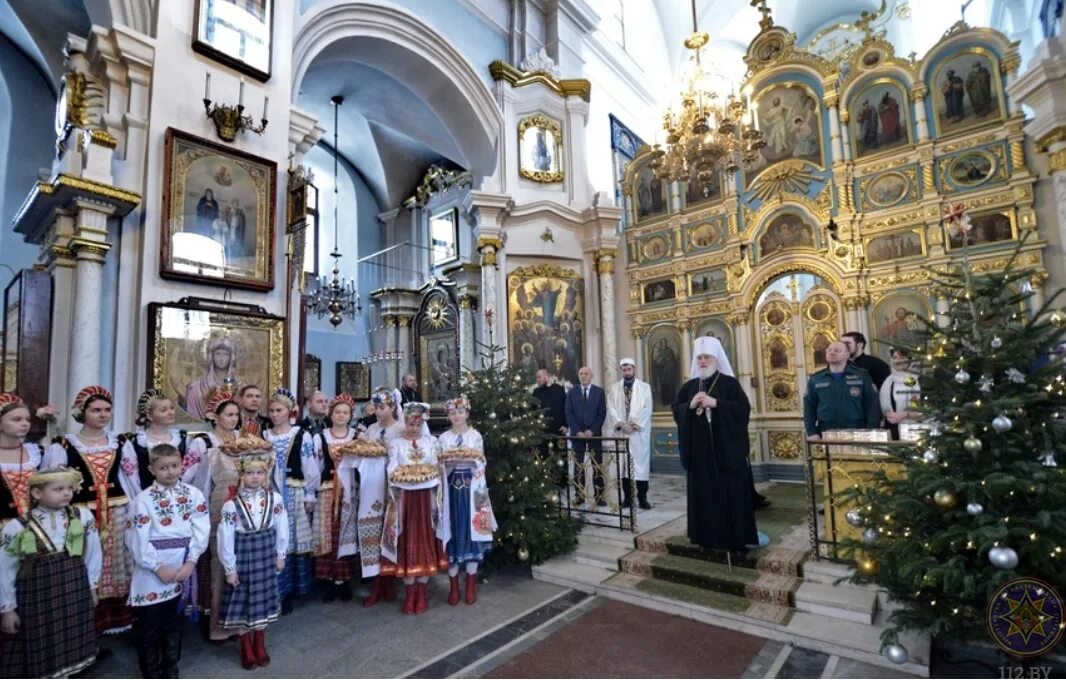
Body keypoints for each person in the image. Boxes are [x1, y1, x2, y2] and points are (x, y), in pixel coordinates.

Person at [44, 385, 138, 635]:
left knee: (117, 560)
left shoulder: (120, 442)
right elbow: (53, 481)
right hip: (81, 513)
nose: (103, 414)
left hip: (117, 510)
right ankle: (82, 625)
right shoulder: (64, 445)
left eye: (107, 409)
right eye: (96, 410)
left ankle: (116, 620)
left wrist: (136, 507)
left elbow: (131, 477)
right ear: (82, 412)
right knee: (83, 559)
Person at [0, 466, 101, 678]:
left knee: (73, 630)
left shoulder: (82, 516)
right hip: (38, 596)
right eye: (58, 489)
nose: (67, 493)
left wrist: (92, 586)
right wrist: (7, 608)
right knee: (43, 635)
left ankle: (73, 666)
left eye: (69, 488)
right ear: (37, 494)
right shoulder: (17, 527)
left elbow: (93, 553)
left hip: (75, 588)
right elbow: (5, 570)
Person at [126, 444, 209, 678]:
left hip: (183, 564)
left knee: (175, 623)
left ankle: (171, 665)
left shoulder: (193, 495)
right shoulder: (142, 500)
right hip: (152, 569)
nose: (171, 472)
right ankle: (150, 671)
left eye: (174, 466)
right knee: (149, 626)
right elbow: (135, 537)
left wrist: (191, 561)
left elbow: (201, 528)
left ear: (182, 464)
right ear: (151, 469)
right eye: (163, 468)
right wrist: (156, 566)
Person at [672, 337, 758, 554]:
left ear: (716, 359)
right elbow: (677, 410)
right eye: (699, 357)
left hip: (726, 454)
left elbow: (743, 410)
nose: (702, 361)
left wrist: (717, 403)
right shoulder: (689, 386)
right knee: (703, 496)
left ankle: (736, 540)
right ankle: (705, 538)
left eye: (706, 357)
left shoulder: (730, 383)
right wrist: (689, 406)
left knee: (732, 496)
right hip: (700, 455)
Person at [181, 388, 243, 641]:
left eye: (236, 415)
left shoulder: (242, 439)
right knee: (219, 564)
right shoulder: (203, 442)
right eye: (229, 414)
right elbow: (190, 479)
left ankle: (240, 620)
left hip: (242, 509)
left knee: (240, 563)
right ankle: (217, 626)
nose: (234, 419)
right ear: (215, 416)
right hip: (215, 508)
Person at [217, 449, 287, 670]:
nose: (255, 477)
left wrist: (281, 554)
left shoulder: (274, 498)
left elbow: (281, 526)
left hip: (265, 554)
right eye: (249, 473)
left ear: (266, 474)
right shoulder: (231, 505)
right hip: (244, 557)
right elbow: (225, 537)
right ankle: (246, 646)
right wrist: (230, 568)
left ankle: (260, 642)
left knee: (262, 600)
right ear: (241, 475)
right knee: (244, 601)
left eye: (259, 472)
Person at [381, 402, 449, 615]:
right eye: (410, 423)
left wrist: (438, 469)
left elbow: (436, 466)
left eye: (417, 423)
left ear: (423, 423)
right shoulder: (396, 444)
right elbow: (392, 466)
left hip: (426, 498)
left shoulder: (432, 442)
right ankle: (410, 593)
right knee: (406, 538)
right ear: (405, 422)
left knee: (425, 539)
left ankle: (422, 591)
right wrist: (394, 473)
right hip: (405, 498)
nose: (413, 427)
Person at [262, 388, 319, 614]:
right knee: (277, 539)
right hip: (271, 493)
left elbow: (309, 464)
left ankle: (297, 587)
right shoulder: (265, 436)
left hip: (294, 491)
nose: (275, 414)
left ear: (289, 412)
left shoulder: (300, 434)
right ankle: (278, 591)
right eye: (272, 410)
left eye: (279, 410)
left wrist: (310, 493)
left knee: (294, 538)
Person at [438, 396, 496, 605]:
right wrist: (449, 463)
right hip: (452, 488)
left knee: (472, 531)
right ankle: (454, 586)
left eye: (460, 412)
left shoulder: (475, 436)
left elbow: (480, 460)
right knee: (452, 530)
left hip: (472, 488)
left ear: (467, 414)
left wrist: (472, 461)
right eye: (453, 413)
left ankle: (470, 585)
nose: (457, 416)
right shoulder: (443, 438)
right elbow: (440, 463)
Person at [353, 389, 404, 608]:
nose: (378, 412)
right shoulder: (371, 429)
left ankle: (391, 579)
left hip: (393, 486)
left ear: (392, 407)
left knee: (390, 530)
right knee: (373, 531)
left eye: (382, 407)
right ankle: (376, 582)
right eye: (376, 407)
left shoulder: (400, 429)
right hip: (372, 486)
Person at [312, 395, 358, 602]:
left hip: (350, 490)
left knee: (345, 532)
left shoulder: (357, 436)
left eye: (345, 412)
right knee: (329, 534)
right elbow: (316, 466)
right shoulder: (320, 437)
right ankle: (330, 579)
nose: (341, 415)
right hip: (328, 489)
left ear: (350, 415)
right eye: (337, 412)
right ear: (331, 414)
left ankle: (344, 580)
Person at [803, 341, 882, 439]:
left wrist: (872, 429)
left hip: (857, 431)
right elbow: (809, 407)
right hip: (826, 431)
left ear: (847, 354)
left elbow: (872, 404)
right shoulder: (816, 378)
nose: (832, 352)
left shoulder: (861, 376)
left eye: (837, 350)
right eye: (829, 350)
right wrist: (811, 432)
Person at [604, 358, 653, 510]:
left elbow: (647, 409)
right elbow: (611, 407)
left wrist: (634, 425)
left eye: (629, 369)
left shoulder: (645, 387)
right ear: (621, 371)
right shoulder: (615, 388)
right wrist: (621, 424)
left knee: (640, 468)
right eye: (624, 370)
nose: (627, 372)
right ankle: (627, 499)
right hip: (623, 434)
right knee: (624, 468)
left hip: (638, 435)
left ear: (634, 369)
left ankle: (642, 498)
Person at [123, 389, 189, 494]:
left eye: (172, 408)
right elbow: (131, 478)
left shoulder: (182, 439)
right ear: (149, 416)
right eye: (163, 410)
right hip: (145, 497)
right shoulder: (134, 442)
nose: (170, 412)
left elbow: (188, 472)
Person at [565, 366, 607, 506]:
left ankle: (600, 496)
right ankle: (579, 496)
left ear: (591, 376)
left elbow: (602, 414)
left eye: (586, 373)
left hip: (594, 435)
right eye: (581, 374)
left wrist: (592, 431)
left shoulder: (599, 392)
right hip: (577, 436)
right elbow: (569, 413)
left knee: (597, 465)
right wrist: (577, 431)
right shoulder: (572, 392)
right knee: (578, 466)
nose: (583, 376)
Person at [0, 394, 41, 530]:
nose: (25, 424)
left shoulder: (36, 453)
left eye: (27, 419)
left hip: (35, 528)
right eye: (17, 419)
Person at [185, 337, 239, 421]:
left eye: (226, 354)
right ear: (211, 356)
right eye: (217, 354)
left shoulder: (240, 386)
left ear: (231, 357)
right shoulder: (195, 387)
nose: (221, 358)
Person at [880, 348, 922, 440]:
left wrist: (903, 414)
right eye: (895, 358)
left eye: (902, 358)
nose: (898, 361)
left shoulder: (914, 381)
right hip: (890, 428)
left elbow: (921, 410)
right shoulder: (888, 381)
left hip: (911, 429)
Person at [652, 338, 680, 406]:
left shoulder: (669, 351)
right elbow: (656, 363)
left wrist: (669, 360)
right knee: (663, 387)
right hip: (662, 373)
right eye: (661, 342)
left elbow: (674, 361)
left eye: (664, 342)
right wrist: (660, 361)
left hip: (670, 373)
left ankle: (672, 401)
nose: (663, 343)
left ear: (666, 343)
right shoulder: (658, 352)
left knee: (671, 386)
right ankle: (665, 401)